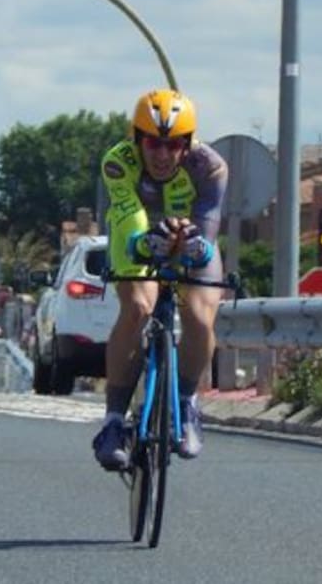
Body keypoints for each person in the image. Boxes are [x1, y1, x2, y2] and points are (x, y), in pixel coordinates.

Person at [92, 89, 228, 470]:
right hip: (137, 233)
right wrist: (145, 244)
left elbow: (209, 228)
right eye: (153, 143)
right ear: (138, 139)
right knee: (137, 308)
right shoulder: (118, 162)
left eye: (173, 145)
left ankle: (185, 404)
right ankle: (114, 422)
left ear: (188, 144)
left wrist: (192, 245)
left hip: (192, 235)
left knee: (200, 316)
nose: (162, 154)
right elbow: (129, 218)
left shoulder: (211, 167)